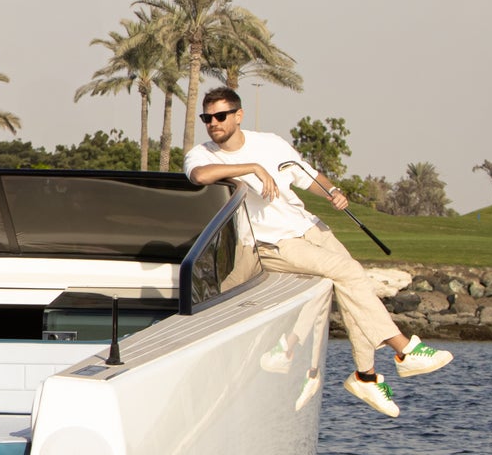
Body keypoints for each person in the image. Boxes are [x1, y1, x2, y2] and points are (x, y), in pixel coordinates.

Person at [183, 86, 452, 417]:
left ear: (238, 116)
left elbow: (307, 175)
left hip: (308, 226)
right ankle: (404, 349)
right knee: (349, 273)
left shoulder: (270, 143)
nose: (213, 123)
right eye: (207, 118)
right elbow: (199, 176)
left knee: (353, 283)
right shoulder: (203, 154)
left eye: (221, 116)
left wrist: (333, 192)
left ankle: (366, 376)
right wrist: (251, 168)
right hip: (273, 243)